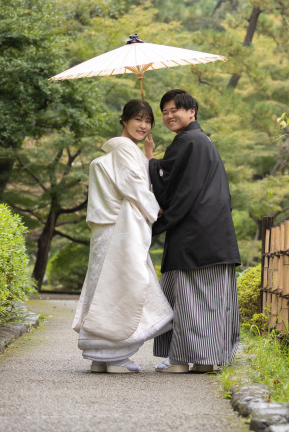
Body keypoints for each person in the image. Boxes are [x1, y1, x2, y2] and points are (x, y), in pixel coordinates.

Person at [72, 100, 173, 374]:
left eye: (148, 120)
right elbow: (136, 187)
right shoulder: (125, 149)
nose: (144, 125)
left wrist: (149, 155)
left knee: (106, 286)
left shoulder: (122, 150)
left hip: (107, 230)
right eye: (138, 119)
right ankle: (114, 357)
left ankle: (101, 357)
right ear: (124, 120)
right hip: (120, 229)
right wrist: (158, 209)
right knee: (125, 286)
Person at [147, 89, 241, 373]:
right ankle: (205, 359)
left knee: (189, 297)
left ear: (192, 112)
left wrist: (151, 160)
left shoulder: (187, 141)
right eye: (164, 112)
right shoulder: (203, 141)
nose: (168, 116)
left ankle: (179, 359)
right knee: (212, 299)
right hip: (215, 235)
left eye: (174, 109)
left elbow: (174, 190)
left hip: (193, 236)